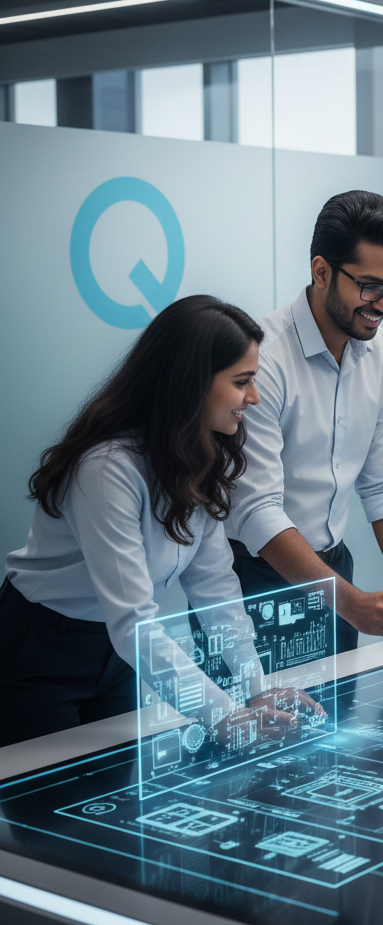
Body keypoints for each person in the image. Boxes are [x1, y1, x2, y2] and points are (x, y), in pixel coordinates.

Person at [1, 296, 312, 747]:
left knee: (117, 797)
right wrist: (224, 716)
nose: (255, 397)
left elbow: (216, 588)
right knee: (49, 809)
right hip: (43, 648)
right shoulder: (107, 468)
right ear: (191, 384)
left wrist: (256, 690)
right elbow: (134, 622)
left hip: (117, 653)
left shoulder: (199, 454)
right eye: (242, 381)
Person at [226, 190, 383, 655]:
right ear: (321, 271)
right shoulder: (264, 359)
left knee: (335, 721)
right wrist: (352, 604)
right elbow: (257, 511)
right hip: (254, 574)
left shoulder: (382, 352)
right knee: (256, 725)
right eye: (371, 286)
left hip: (336, 567)